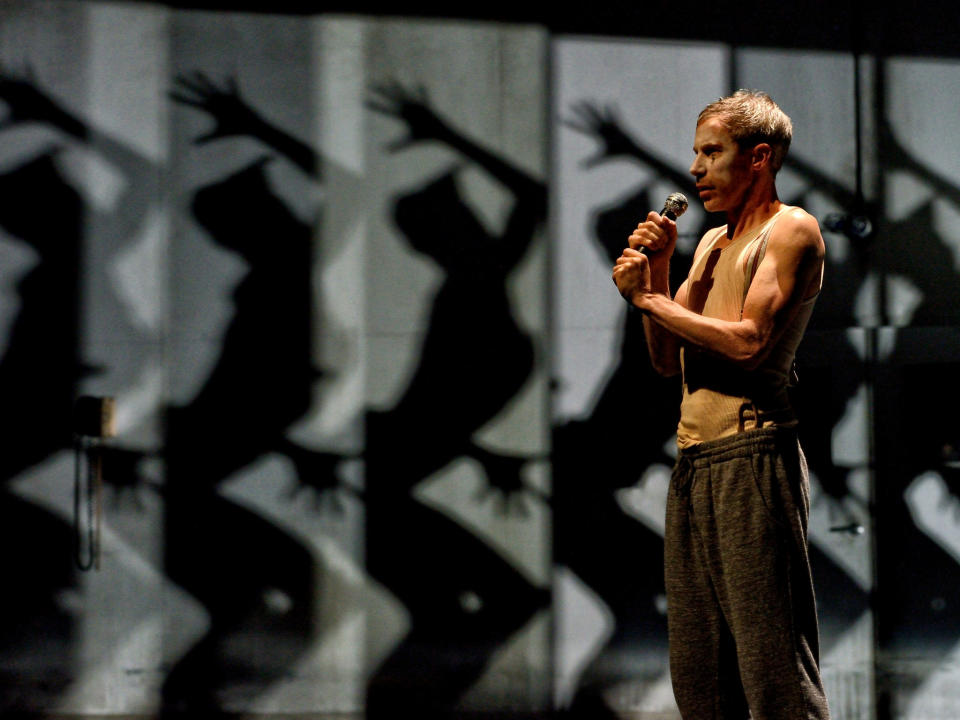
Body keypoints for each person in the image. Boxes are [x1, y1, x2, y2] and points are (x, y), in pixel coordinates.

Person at [612, 89, 831, 720]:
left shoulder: (792, 230)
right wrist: (658, 273)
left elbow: (748, 343)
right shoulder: (708, 245)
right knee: (701, 676)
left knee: (772, 671)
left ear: (758, 157)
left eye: (712, 152)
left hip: (752, 456)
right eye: (695, 153)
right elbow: (665, 361)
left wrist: (651, 301)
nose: (695, 169)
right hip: (695, 464)